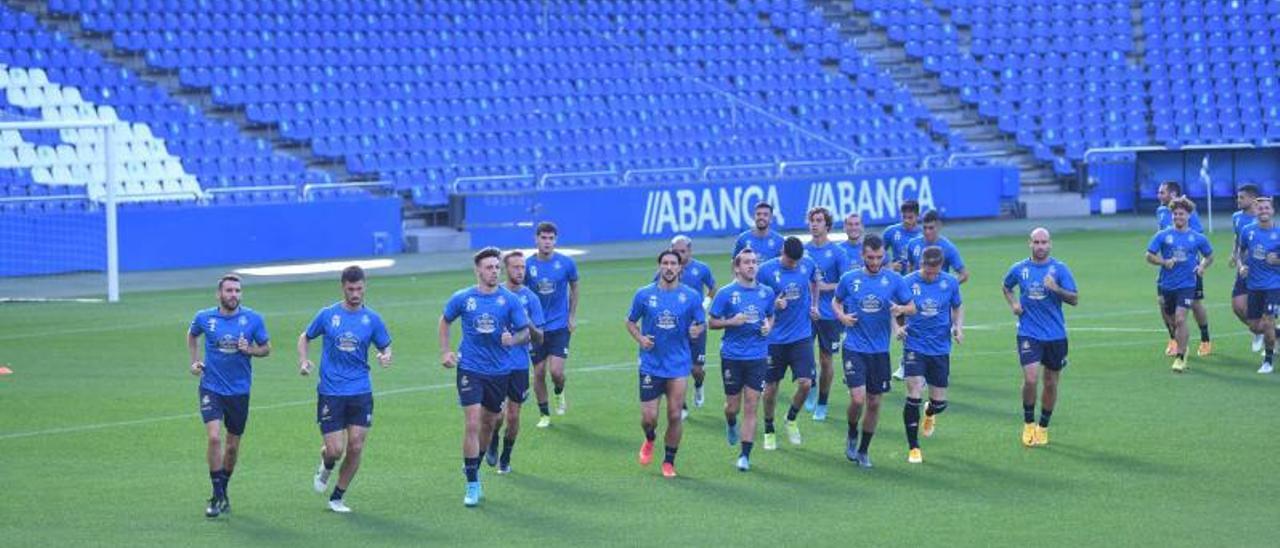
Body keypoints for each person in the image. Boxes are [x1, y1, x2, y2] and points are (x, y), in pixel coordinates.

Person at [439, 247, 531, 506]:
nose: (494, 272)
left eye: (496, 267)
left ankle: (473, 467)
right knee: (472, 423)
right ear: (478, 270)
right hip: (470, 368)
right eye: (489, 267)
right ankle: (471, 484)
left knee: (489, 424)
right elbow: (445, 320)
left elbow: (525, 332)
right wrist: (446, 351)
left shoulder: (509, 300)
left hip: (499, 371)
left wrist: (512, 339)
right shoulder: (463, 298)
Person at [299, 266, 393, 513]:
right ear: (343, 287)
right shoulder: (328, 315)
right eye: (350, 289)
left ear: (364, 287)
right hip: (331, 391)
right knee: (335, 450)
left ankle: (337, 497)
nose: (355, 293)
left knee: (356, 446)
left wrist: (385, 356)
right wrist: (304, 361)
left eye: (359, 288)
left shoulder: (372, 319)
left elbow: (385, 346)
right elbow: (305, 337)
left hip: (361, 390)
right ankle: (326, 463)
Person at [187, 274, 270, 518]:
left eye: (237, 291)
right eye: (229, 291)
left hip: (239, 391)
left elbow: (266, 348)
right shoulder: (204, 317)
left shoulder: (253, 319)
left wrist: (250, 350)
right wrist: (194, 362)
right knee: (214, 438)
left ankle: (223, 489)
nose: (234, 295)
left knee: (232, 448)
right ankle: (216, 494)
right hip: (211, 387)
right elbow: (192, 334)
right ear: (219, 294)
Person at [833, 234, 916, 468]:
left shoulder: (893, 279)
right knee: (858, 399)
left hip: (880, 351)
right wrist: (841, 316)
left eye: (879, 257)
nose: (875, 261)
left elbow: (912, 307)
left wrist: (901, 308)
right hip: (854, 347)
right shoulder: (850, 279)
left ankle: (863, 450)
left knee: (875, 403)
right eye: (870, 257)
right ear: (862, 255)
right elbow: (836, 301)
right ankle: (851, 432)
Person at [626, 250, 706, 478]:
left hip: (678, 364)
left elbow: (701, 322)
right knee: (649, 419)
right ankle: (650, 438)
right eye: (665, 263)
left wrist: (696, 329)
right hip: (651, 364)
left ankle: (669, 462)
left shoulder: (690, 296)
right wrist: (640, 338)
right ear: (659, 266)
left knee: (674, 415)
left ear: (680, 268)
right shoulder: (644, 294)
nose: (669, 267)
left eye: (673, 263)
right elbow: (630, 321)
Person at [1002, 228, 1079, 447]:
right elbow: (1006, 287)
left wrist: (1056, 289)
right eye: (1036, 242)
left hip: (1055, 335)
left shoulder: (1059, 269)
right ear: (1030, 244)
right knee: (1031, 379)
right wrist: (1014, 304)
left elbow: (1074, 299)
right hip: (1028, 332)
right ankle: (1028, 423)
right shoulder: (1019, 268)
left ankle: (1043, 426)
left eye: (1044, 242)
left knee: (1051, 383)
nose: (1040, 246)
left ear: (1050, 244)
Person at [708, 248, 775, 471]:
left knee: (751, 405)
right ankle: (730, 422)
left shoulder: (766, 292)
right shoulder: (726, 293)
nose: (751, 266)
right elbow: (712, 322)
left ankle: (744, 455)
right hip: (732, 356)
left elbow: (770, 315)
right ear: (737, 267)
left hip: (758, 356)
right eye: (746, 262)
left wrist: (768, 326)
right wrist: (732, 322)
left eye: (754, 262)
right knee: (732, 406)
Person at [899, 246, 963, 463]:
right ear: (921, 264)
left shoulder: (950, 283)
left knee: (940, 403)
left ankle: (930, 412)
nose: (931, 275)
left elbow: (957, 306)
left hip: (940, 348)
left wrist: (958, 327)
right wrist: (898, 327)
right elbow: (895, 308)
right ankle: (913, 448)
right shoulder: (907, 282)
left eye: (935, 272)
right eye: (928, 271)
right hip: (914, 345)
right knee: (914, 391)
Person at [484, 251, 546, 474]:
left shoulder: (531, 298)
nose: (520, 271)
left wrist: (526, 322)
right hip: (494, 364)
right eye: (515, 267)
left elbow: (540, 338)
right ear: (505, 269)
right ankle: (492, 439)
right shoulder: (493, 294)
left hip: (519, 366)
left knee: (513, 416)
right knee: (496, 416)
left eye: (523, 267)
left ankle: (506, 456)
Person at [757, 237, 819, 449]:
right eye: (790, 261)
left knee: (806, 383)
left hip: (801, 335)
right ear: (782, 251)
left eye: (796, 262)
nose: (794, 265)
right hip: (774, 338)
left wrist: (815, 305)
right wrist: (772, 303)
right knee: (771, 388)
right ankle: (768, 428)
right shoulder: (765, 270)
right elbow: (755, 296)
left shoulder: (807, 264)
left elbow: (814, 281)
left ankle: (791, 418)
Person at [1145, 198, 1214, 373]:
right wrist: (1164, 261)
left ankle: (1180, 357)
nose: (1178, 217)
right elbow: (1149, 255)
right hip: (1166, 284)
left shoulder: (1198, 238)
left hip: (1187, 284)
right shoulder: (1163, 235)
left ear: (1189, 215)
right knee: (1171, 321)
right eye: (1175, 214)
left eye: (1181, 214)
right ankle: (1182, 343)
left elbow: (1209, 255)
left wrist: (1202, 266)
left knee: (1180, 318)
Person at [898, 210, 968, 380]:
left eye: (931, 228)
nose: (927, 231)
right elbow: (908, 269)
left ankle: (935, 366)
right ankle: (906, 363)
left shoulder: (948, 248)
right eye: (925, 228)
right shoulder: (914, 244)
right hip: (915, 296)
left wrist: (945, 290)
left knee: (937, 329)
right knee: (911, 328)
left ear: (938, 227)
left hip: (939, 301)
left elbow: (964, 274)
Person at [527, 222, 579, 427]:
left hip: (559, 325)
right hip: (536, 328)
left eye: (551, 238)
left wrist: (572, 316)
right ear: (536, 239)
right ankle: (544, 414)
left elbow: (575, 287)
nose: (547, 242)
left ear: (555, 240)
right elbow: (521, 294)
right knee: (539, 372)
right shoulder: (528, 266)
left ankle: (559, 391)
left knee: (556, 372)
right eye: (543, 238)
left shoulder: (566, 263)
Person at [661, 235, 717, 415]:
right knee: (678, 367)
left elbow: (713, 287)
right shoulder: (667, 271)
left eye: (683, 251)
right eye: (676, 251)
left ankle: (699, 385)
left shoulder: (701, 269)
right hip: (674, 328)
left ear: (690, 251)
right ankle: (681, 404)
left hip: (697, 326)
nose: (679, 255)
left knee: (696, 369)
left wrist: (705, 305)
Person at [803, 207, 849, 421]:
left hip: (829, 315)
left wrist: (823, 287)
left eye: (819, 220)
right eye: (812, 220)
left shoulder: (838, 252)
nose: (814, 224)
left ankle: (822, 401)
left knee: (826, 359)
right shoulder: (803, 252)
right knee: (804, 355)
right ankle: (811, 386)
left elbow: (845, 285)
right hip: (805, 313)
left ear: (827, 225)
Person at [1155, 181, 1211, 357]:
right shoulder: (1161, 211)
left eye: (1162, 192)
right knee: (1163, 304)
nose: (1159, 195)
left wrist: (1201, 265)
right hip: (1167, 269)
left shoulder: (1188, 212)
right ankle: (1174, 339)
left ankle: (1205, 339)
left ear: (1172, 194)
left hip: (1189, 270)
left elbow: (1198, 237)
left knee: (1194, 304)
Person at [1238, 197, 1280, 374]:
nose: (1263, 211)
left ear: (1273, 211)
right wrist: (1241, 266)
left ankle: (1268, 361)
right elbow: (1240, 252)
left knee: (1268, 321)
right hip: (1253, 285)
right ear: (1255, 211)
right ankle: (1276, 333)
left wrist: (1278, 260)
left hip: (1273, 285)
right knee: (1255, 326)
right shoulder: (1247, 231)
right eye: (1260, 208)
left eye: (1266, 208)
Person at [1231, 184, 1262, 352]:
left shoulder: (1262, 218)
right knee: (1237, 307)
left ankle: (1267, 334)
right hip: (1243, 269)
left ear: (1252, 199)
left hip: (1261, 272)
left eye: (1242, 197)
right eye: (1238, 197)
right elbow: (1237, 237)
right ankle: (1259, 330)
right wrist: (1234, 254)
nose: (1238, 200)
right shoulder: (1236, 217)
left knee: (1263, 309)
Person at [882, 199, 922, 274]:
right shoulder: (891, 232)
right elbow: (878, 252)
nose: (906, 221)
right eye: (904, 217)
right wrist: (890, 266)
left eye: (910, 217)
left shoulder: (923, 235)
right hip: (898, 277)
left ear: (918, 216)